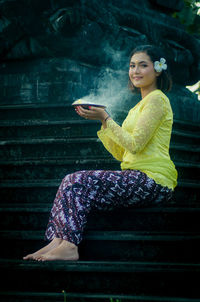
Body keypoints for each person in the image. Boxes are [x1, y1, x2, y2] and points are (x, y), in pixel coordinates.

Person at [23, 44, 178, 261]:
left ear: (158, 69)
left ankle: (69, 246)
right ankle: (57, 241)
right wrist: (103, 123)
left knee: (76, 180)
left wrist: (106, 118)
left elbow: (135, 145)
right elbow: (122, 154)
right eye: (132, 66)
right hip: (136, 175)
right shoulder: (139, 106)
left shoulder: (157, 99)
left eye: (143, 65)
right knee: (70, 182)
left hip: (153, 180)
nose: (135, 71)